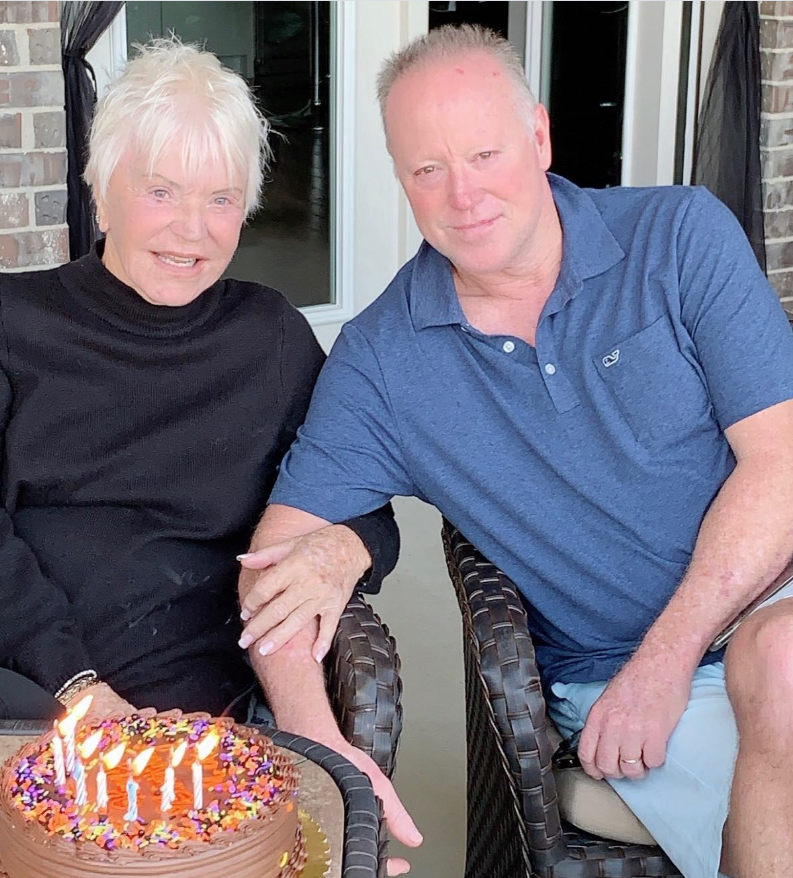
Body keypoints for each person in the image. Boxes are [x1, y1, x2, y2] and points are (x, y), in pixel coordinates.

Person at [238, 24, 793, 878]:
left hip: (756, 616)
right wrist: (317, 746)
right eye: (428, 169)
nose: (463, 195)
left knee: (778, 652)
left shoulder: (678, 236)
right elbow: (270, 567)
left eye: (484, 154)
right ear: (401, 180)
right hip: (617, 677)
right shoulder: (385, 359)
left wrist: (666, 661)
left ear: (538, 137)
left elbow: (780, 460)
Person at [0, 36, 415, 852]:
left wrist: (340, 549)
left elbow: (362, 510)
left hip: (191, 729)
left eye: (221, 199)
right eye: (161, 191)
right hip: (20, 698)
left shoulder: (269, 340)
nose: (192, 230)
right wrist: (82, 696)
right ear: (100, 189)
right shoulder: (14, 325)